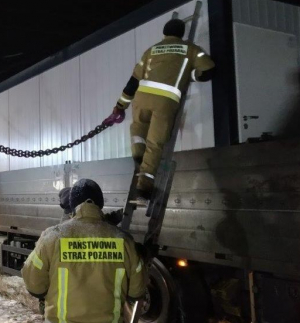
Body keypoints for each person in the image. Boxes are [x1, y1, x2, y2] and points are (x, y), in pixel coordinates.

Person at [113, 18, 215, 203]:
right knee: (155, 143)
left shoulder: (150, 51)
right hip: (165, 102)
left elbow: (133, 82)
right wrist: (190, 76)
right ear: (181, 33)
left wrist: (120, 106)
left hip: (141, 98)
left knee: (138, 131)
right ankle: (144, 189)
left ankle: (138, 156)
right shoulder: (191, 49)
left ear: (164, 33)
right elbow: (208, 71)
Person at [22, 179, 148, 323]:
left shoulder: (52, 237)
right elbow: (136, 291)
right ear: (100, 204)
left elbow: (34, 286)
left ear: (72, 204)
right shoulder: (124, 241)